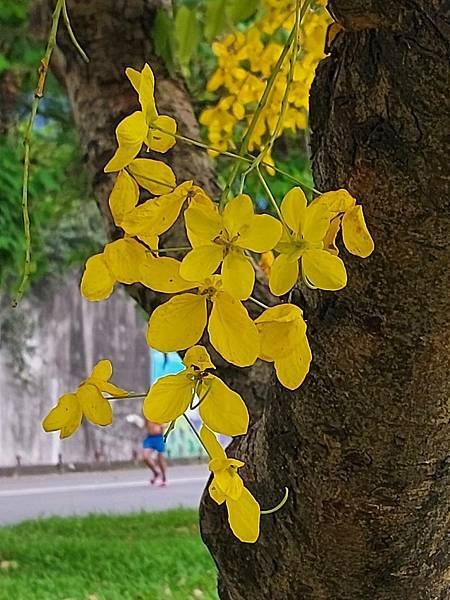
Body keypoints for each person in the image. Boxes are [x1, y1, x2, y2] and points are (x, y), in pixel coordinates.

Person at [142, 419, 167, 486]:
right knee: (145, 457)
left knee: (160, 459)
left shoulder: (158, 413)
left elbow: (164, 424)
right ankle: (156, 473)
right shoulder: (145, 413)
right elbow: (145, 424)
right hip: (150, 438)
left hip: (159, 437)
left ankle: (164, 478)